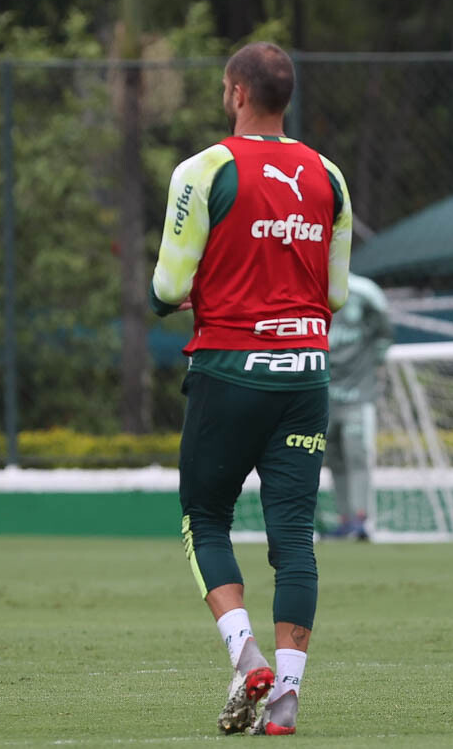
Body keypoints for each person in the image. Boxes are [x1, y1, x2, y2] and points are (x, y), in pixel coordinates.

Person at [150, 41, 352, 736]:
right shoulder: (328, 175)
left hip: (229, 370)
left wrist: (204, 292)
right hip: (307, 375)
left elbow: (167, 287)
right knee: (294, 535)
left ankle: (245, 657)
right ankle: (288, 695)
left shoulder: (206, 168)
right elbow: (337, 295)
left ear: (237, 91)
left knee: (204, 517)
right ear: (284, 97)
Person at [323, 272, 395, 540]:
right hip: (323, 394)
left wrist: (375, 366)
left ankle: (361, 520)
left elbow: (385, 335)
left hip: (358, 394)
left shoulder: (365, 292)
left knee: (357, 455)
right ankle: (345, 520)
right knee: (332, 458)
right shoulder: (309, 285)